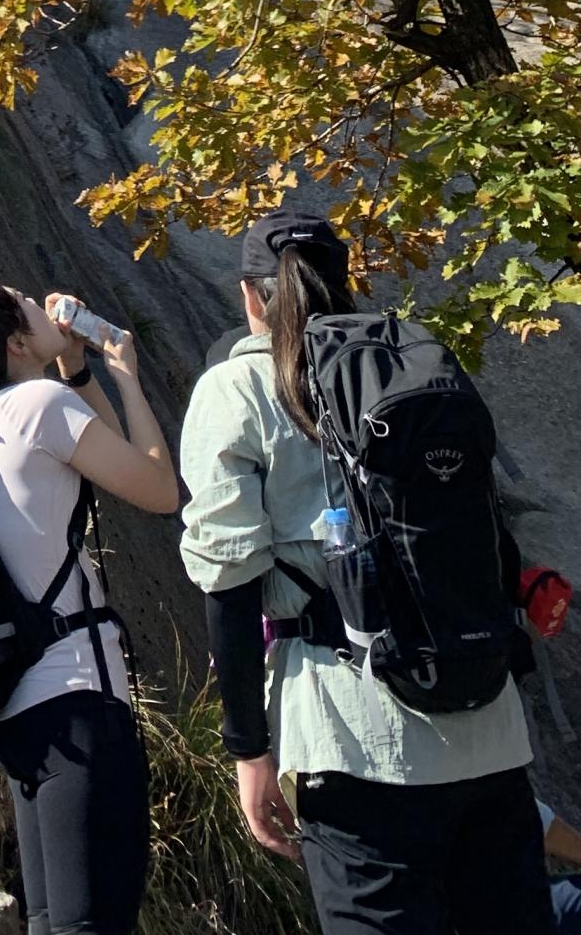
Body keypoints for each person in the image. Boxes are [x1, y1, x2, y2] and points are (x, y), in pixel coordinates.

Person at [179, 209, 549, 935]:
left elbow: (228, 581)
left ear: (250, 295)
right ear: (343, 282)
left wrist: (248, 750)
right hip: (489, 725)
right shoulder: (421, 366)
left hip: (351, 737)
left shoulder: (237, 387)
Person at [0, 276, 176, 935]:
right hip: (81, 703)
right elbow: (157, 488)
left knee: (53, 923)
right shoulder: (40, 405)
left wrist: (77, 369)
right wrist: (127, 376)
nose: (41, 300)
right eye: (25, 300)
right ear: (15, 341)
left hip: (19, 712)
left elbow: (99, 453)